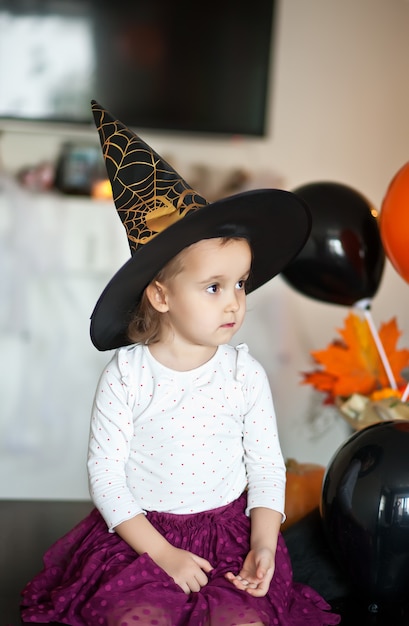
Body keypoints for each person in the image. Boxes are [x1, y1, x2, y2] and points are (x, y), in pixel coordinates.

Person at [20, 101, 341, 626]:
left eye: (240, 283)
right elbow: (106, 476)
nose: (236, 301)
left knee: (242, 619)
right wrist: (162, 554)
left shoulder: (243, 374)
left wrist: (263, 542)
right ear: (162, 297)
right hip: (142, 536)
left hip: (228, 532)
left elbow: (264, 466)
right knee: (137, 614)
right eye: (214, 287)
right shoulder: (129, 375)